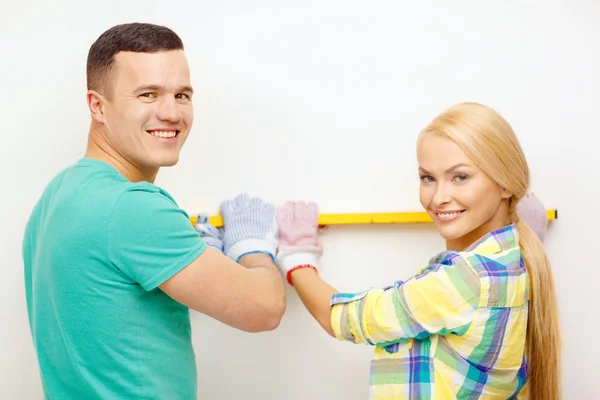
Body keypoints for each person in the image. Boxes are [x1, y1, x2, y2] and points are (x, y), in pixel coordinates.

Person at [21, 23, 285, 399]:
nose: (172, 113)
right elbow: (265, 309)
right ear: (97, 105)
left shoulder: (57, 196)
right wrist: (252, 248)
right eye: (148, 94)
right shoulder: (133, 207)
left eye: (182, 95)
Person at [271, 103, 561, 399]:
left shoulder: (464, 282)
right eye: (427, 178)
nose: (438, 198)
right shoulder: (516, 257)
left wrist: (297, 256)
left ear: (506, 185)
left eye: (460, 177)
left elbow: (345, 319)